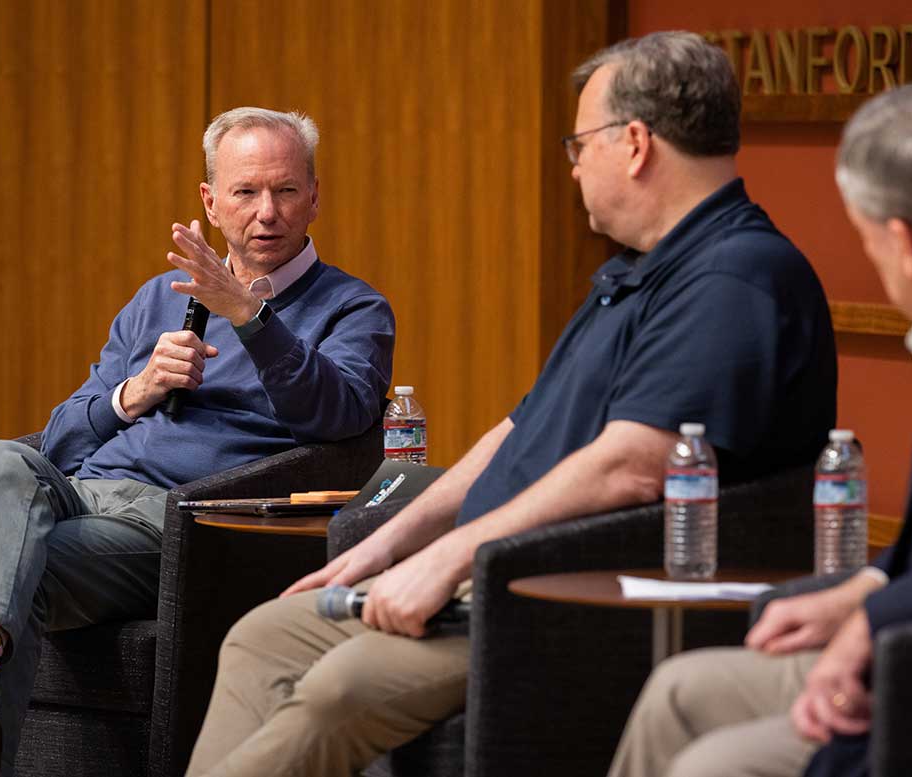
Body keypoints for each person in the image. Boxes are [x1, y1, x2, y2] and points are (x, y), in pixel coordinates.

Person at [184, 31, 835, 777]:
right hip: (485, 575)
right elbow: (521, 426)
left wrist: (452, 558)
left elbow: (634, 468)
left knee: (342, 683)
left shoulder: (735, 279)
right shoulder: (635, 271)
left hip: (554, 593)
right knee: (263, 634)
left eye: (579, 142)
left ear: (633, 144)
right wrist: (390, 542)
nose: (574, 163)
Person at [606, 83, 912, 777]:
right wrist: (864, 591)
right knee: (676, 691)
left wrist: (875, 620)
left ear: (902, 241)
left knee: (711, 764)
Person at [0, 107, 395, 777]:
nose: (267, 211)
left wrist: (251, 317)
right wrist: (134, 391)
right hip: (82, 496)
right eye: (245, 191)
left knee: (2, 562)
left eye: (286, 190)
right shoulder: (157, 298)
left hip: (177, 521)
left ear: (315, 196)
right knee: (0, 456)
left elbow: (341, 416)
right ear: (210, 200)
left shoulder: (353, 307)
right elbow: (58, 443)